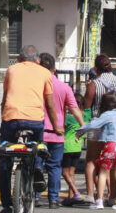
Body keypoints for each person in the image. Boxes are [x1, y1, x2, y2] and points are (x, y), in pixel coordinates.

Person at [0, 45, 62, 213]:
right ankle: (37, 169)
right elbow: (49, 104)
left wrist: (3, 120)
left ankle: (6, 203)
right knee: (38, 147)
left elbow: (4, 100)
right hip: (34, 120)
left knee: (5, 157)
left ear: (19, 59)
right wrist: (56, 127)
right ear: (38, 60)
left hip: (11, 118)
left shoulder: (11, 70)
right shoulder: (45, 73)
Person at [38, 52, 86, 209]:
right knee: (54, 167)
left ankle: (36, 195)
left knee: (37, 164)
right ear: (55, 69)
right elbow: (75, 109)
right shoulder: (64, 87)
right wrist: (83, 126)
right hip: (57, 133)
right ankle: (53, 199)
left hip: (39, 131)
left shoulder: (37, 85)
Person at [81, 55, 116, 205]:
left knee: (91, 160)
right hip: (115, 126)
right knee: (113, 164)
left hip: (98, 123)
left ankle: (90, 194)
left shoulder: (94, 83)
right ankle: (111, 196)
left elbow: (87, 104)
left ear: (96, 68)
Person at [75, 91, 116, 211]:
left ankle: (99, 201)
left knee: (103, 173)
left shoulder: (106, 115)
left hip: (111, 146)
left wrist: (80, 130)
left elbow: (93, 124)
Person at [61, 90, 87, 207]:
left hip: (67, 147)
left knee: (64, 173)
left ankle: (76, 193)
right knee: (71, 173)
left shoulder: (69, 118)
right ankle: (70, 197)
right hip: (78, 148)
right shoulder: (86, 116)